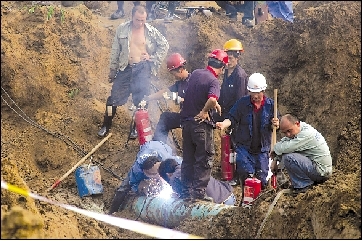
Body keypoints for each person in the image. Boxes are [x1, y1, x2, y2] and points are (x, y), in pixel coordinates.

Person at [97, 5, 169, 138]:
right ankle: (106, 125)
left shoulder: (151, 31)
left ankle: (136, 128)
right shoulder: (122, 29)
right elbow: (115, 50)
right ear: (132, 17)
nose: (140, 23)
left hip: (142, 69)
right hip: (126, 68)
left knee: (142, 100)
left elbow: (164, 45)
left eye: (143, 20)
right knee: (112, 100)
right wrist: (113, 69)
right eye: (137, 20)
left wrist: (152, 57)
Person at [215, 73, 280, 191]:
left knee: (262, 178)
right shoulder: (242, 103)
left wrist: (276, 124)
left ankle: (260, 201)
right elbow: (232, 118)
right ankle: (247, 200)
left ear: (264, 90)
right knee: (246, 175)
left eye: (258, 93)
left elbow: (276, 125)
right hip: (244, 148)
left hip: (262, 148)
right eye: (252, 92)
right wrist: (224, 124)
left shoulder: (271, 106)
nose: (255, 96)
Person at [179, 49, 228, 201]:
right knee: (204, 158)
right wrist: (205, 110)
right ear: (222, 67)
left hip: (186, 125)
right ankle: (198, 194)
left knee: (188, 159)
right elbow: (212, 99)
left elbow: (196, 93)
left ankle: (185, 193)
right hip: (201, 126)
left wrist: (213, 104)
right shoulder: (214, 81)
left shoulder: (196, 74)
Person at [108, 140, 181, 214]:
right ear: (145, 172)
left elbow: (182, 167)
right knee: (124, 188)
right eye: (152, 175)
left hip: (161, 146)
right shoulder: (137, 169)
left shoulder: (167, 159)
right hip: (148, 147)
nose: (154, 177)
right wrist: (141, 189)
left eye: (156, 175)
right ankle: (112, 212)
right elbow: (133, 184)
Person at [214, 39, 249, 186]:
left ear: (238, 57)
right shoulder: (227, 73)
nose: (229, 61)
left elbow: (240, 101)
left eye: (232, 58)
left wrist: (233, 120)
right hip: (226, 111)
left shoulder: (240, 76)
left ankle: (237, 175)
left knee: (236, 145)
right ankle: (228, 169)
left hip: (236, 116)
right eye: (227, 58)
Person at [270, 114, 332, 194]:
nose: (288, 135)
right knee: (287, 152)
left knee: (288, 157)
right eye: (285, 132)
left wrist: (274, 149)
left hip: (321, 172)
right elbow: (285, 141)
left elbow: (286, 148)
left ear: (297, 124)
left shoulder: (306, 134)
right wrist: (275, 159)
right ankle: (304, 182)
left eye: (289, 131)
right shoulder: (300, 128)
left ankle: (303, 186)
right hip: (318, 169)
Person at [143, 53, 190, 145]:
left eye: (174, 74)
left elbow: (197, 101)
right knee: (166, 118)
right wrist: (148, 98)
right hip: (184, 117)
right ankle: (158, 146)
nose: (174, 76)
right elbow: (164, 91)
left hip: (193, 119)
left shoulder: (193, 81)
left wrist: (180, 99)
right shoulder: (180, 83)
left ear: (180, 69)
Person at [159, 158, 236, 205]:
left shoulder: (174, 178)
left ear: (168, 175)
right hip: (229, 196)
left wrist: (176, 199)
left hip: (218, 206)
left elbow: (187, 201)